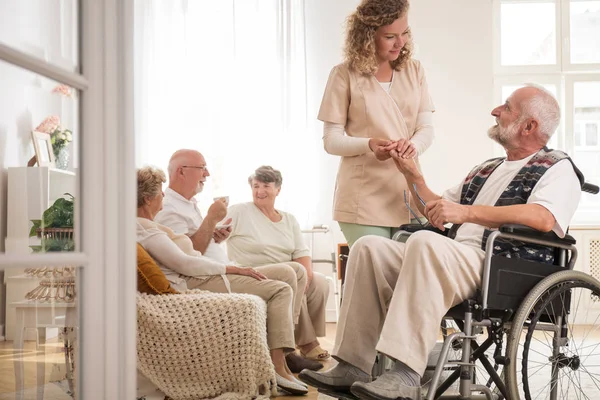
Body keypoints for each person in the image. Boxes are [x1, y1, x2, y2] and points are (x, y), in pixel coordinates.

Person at [299, 85, 583, 400]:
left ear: (529, 126)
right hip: (454, 260)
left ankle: (406, 373)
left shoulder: (557, 167)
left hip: (503, 267)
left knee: (424, 243)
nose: (495, 111)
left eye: (506, 107)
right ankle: (352, 363)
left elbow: (543, 217)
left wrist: (467, 212)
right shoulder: (486, 169)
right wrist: (411, 173)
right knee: (369, 247)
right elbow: (435, 209)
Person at [137, 166, 308, 395]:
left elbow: (188, 253)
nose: (164, 196)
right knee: (281, 290)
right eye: (160, 192)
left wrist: (216, 238)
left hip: (204, 273)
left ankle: (284, 360)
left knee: (291, 273)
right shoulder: (148, 230)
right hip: (195, 279)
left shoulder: (152, 225)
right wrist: (230, 269)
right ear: (148, 199)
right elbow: (185, 263)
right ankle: (277, 366)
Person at [319, 0, 435, 247]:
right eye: (390, 36)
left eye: (405, 33)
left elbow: (425, 128)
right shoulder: (344, 74)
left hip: (406, 192)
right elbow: (331, 140)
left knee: (410, 278)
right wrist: (369, 144)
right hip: (363, 197)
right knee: (375, 277)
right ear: (367, 36)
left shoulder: (415, 70)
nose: (400, 42)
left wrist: (412, 147)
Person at [226, 165, 331, 371]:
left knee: (319, 281)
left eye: (266, 185)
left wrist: (306, 277)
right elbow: (214, 234)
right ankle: (301, 345)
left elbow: (302, 252)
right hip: (254, 272)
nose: (260, 191)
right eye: (256, 186)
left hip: (289, 271)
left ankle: (303, 341)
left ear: (278, 189)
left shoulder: (289, 219)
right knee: (292, 273)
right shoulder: (239, 211)